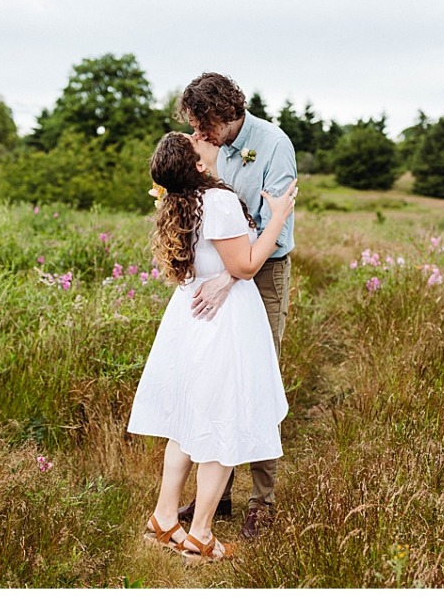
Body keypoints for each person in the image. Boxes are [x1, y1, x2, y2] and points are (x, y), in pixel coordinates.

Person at [128, 132, 296, 562]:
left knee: (187, 421)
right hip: (223, 322)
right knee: (223, 420)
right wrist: (278, 216)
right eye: (193, 139)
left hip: (190, 318)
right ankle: (200, 534)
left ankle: (164, 518)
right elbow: (244, 264)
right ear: (198, 165)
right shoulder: (217, 202)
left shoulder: (179, 201)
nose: (201, 136)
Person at [174, 72, 297, 539]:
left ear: (226, 114)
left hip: (261, 272)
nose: (199, 136)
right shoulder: (212, 143)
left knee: (258, 379)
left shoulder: (273, 144)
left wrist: (232, 274)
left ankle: (261, 502)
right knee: (214, 376)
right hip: (222, 270)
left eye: (203, 125)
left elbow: (276, 226)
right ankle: (216, 497)